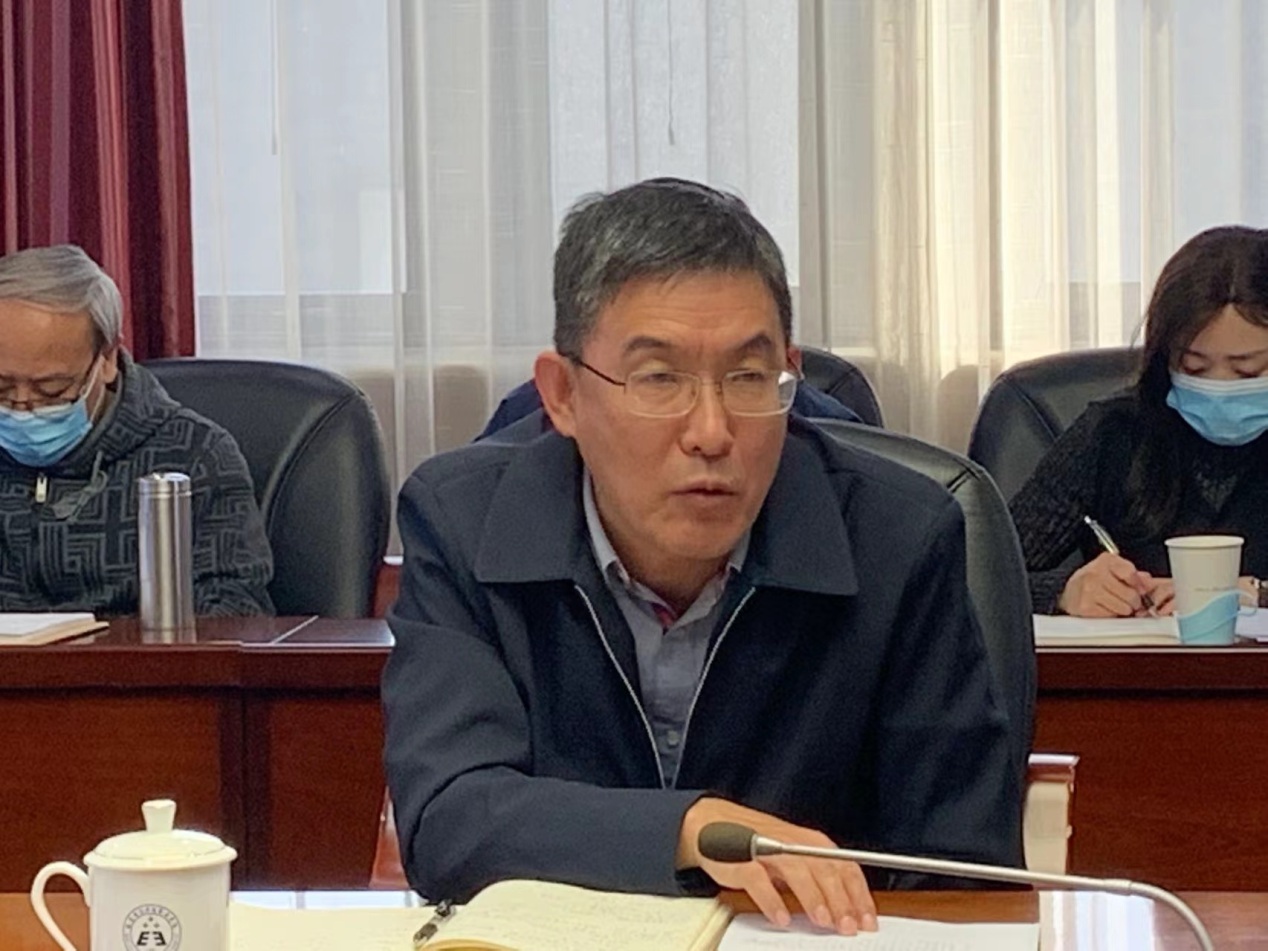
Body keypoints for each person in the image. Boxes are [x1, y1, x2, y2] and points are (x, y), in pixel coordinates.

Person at [383, 179, 1021, 934]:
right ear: (562, 395)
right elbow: (450, 817)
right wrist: (690, 830)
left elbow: (959, 868)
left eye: (748, 378)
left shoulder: (898, 539)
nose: (712, 432)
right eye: (660, 379)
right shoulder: (462, 522)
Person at [0, 244, 274, 615]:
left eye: (51, 388)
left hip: (138, 652)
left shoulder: (196, 457)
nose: (22, 406)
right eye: (2, 386)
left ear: (107, 359)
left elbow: (237, 613)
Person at [1011, 225, 1268, 617]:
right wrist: (1061, 590)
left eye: (1248, 371)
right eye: (1193, 367)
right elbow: (977, 571)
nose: (1219, 387)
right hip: (1133, 655)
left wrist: (1256, 596)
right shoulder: (1114, 432)